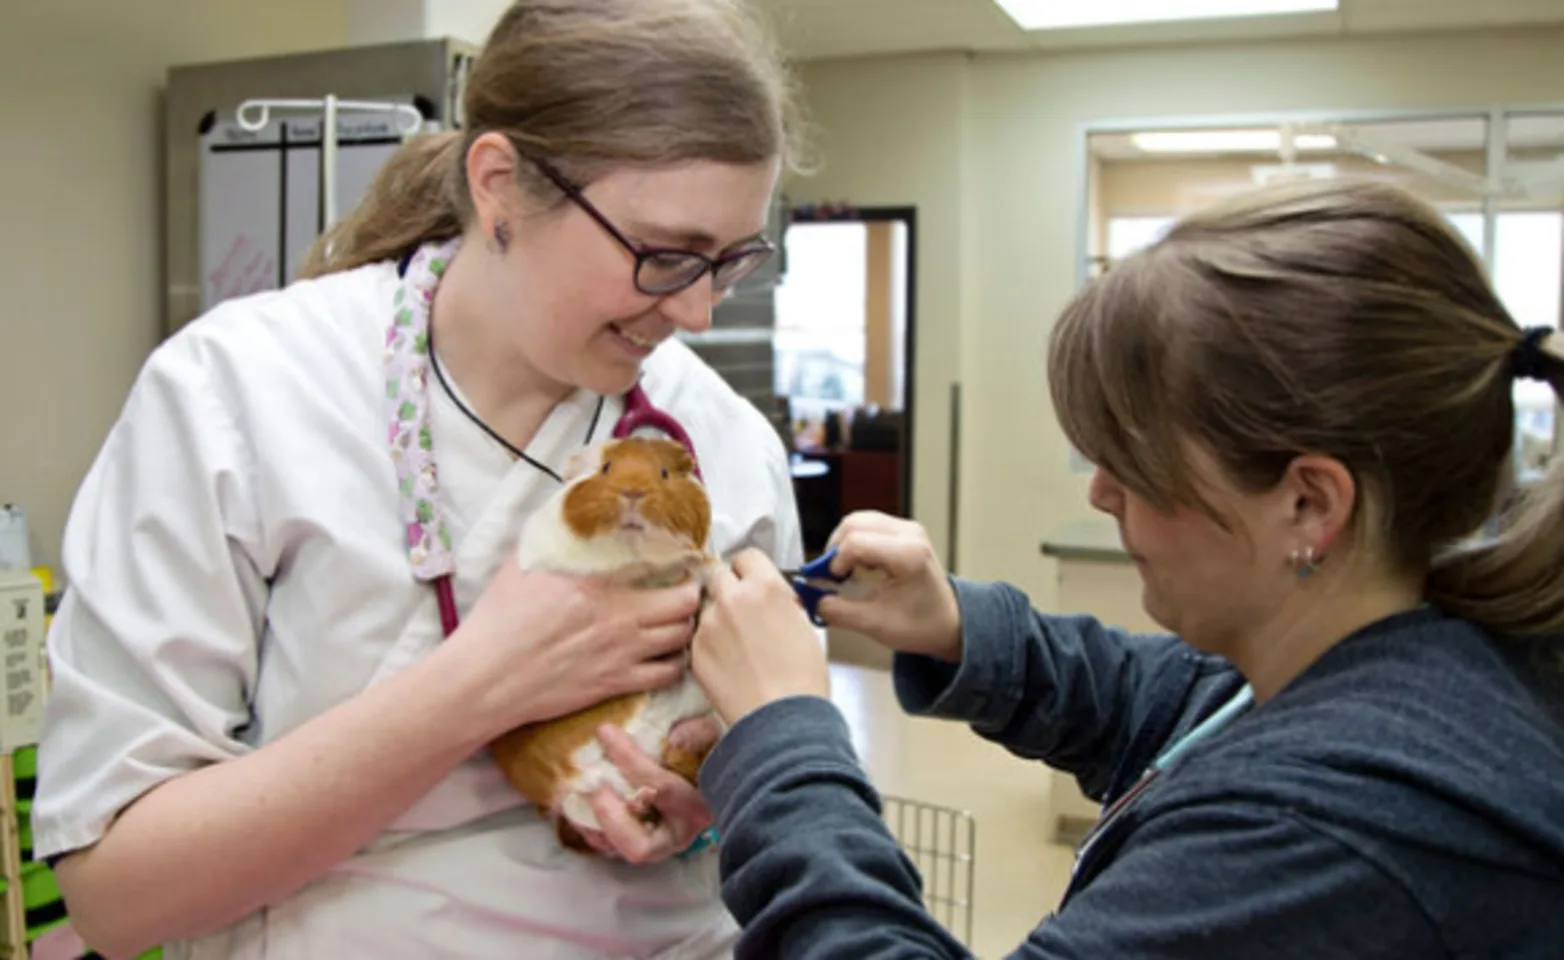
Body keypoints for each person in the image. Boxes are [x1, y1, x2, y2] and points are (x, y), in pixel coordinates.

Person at [31, 1, 809, 957]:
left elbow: (769, 775)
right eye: (661, 255)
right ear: (498, 185)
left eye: (731, 261)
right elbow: (116, 897)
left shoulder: (723, 444)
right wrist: (483, 683)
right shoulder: (242, 396)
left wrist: (710, 794)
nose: (695, 310)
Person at [651, 178, 1564, 958]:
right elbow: (1181, 707)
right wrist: (959, 626)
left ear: (1309, 503)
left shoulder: (1342, 832)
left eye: (1133, 461)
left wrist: (783, 739)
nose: (1101, 495)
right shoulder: (1405, 661)